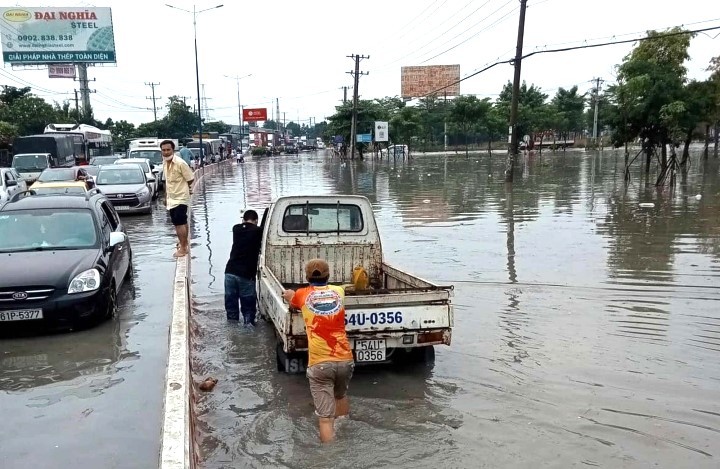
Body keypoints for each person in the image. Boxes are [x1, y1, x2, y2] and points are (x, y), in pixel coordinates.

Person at [282, 259, 354, 443]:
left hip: (320, 364)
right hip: (345, 360)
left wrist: (289, 295)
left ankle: (329, 457)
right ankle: (345, 431)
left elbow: (291, 299)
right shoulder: (339, 292)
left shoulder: (302, 295)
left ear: (306, 277)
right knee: (341, 395)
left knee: (325, 418)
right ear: (328, 276)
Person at [225, 210, 262, 325]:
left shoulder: (236, 229)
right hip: (246, 275)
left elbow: (245, 226)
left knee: (231, 310)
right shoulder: (258, 231)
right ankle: (249, 337)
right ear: (256, 221)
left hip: (230, 273)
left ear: (243, 220)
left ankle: (232, 332)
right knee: (248, 313)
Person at [161, 139, 194, 258]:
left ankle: (184, 248)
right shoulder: (165, 163)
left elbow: (190, 178)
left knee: (179, 222)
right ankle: (183, 243)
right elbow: (167, 182)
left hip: (181, 197)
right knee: (179, 222)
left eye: (168, 150)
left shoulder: (180, 163)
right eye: (163, 150)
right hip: (171, 198)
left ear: (173, 150)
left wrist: (185, 189)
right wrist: (165, 197)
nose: (166, 152)